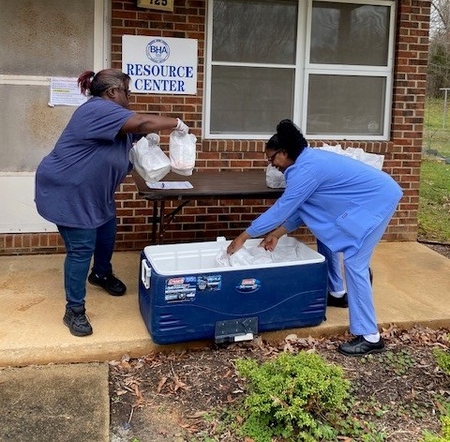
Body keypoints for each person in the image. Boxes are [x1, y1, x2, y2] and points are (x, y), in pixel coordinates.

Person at [227, 119, 403, 357]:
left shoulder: (305, 170)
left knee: (354, 263)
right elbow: (303, 208)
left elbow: (283, 209)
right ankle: (338, 294)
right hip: (368, 200)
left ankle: (370, 336)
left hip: (377, 199)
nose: (272, 164)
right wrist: (277, 234)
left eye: (272, 158)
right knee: (327, 234)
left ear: (285, 152)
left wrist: (243, 237)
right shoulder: (306, 163)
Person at [35, 69, 190, 337]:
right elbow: (141, 123)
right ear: (112, 93)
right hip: (69, 192)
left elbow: (134, 133)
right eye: (127, 92)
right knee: (81, 248)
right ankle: (74, 310)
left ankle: (102, 274)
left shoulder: (112, 118)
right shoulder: (96, 109)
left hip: (96, 193)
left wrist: (147, 140)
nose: (130, 98)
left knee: (106, 234)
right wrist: (176, 123)